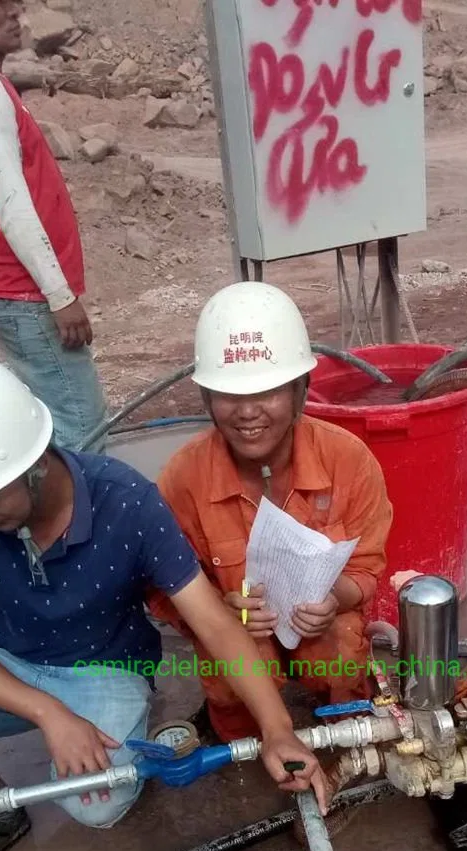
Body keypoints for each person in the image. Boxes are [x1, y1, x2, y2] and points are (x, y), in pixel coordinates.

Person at [0, 353, 324, 851]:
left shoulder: (126, 499)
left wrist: (278, 731)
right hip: (12, 665)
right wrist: (50, 716)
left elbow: (215, 622)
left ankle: (96, 739)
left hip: (107, 669)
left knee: (97, 807)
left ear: (36, 463)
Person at [150, 282, 393, 799]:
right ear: (206, 397)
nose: (247, 411)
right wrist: (221, 608)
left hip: (319, 625)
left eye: (268, 391)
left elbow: (369, 565)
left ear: (303, 388)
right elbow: (159, 591)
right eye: (228, 394)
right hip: (235, 631)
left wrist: (335, 600)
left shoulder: (347, 460)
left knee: (340, 646)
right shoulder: (182, 479)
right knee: (230, 662)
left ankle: (345, 729)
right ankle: (239, 733)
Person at [0, 0, 108, 454]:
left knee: (51, 436)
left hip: (21, 295)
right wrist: (60, 295)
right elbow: (11, 203)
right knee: (81, 436)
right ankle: (73, 526)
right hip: (25, 295)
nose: (15, 12)